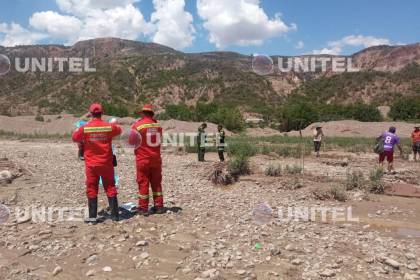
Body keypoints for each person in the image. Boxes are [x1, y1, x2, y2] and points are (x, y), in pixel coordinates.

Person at [72, 103, 122, 223]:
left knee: (92, 188)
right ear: (102, 113)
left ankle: (93, 217)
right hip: (106, 163)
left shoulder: (85, 128)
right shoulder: (109, 127)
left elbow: (75, 137)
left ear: (91, 114)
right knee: (110, 187)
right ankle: (115, 216)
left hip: (92, 164)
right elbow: (119, 130)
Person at [130, 104, 164, 216]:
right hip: (156, 158)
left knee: (143, 182)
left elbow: (131, 141)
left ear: (143, 113)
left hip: (143, 158)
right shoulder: (158, 126)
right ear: (152, 113)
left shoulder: (138, 126)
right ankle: (159, 206)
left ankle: (143, 208)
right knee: (156, 183)